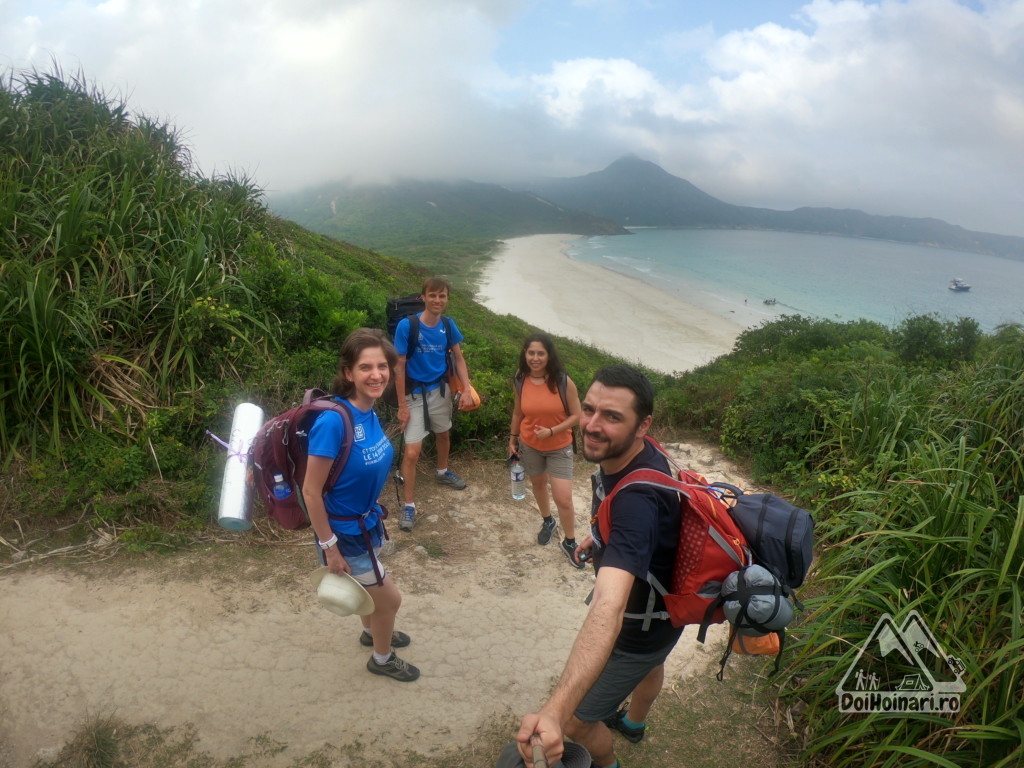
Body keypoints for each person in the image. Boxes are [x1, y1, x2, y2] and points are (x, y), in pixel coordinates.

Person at [515, 365, 681, 768]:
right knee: (652, 666)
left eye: (612, 417)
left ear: (644, 425)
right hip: (665, 615)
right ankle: (635, 724)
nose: (591, 425)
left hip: (639, 629)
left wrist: (555, 713)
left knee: (577, 721)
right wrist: (601, 537)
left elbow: (609, 607)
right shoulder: (638, 455)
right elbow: (630, 526)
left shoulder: (637, 500)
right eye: (589, 409)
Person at [304, 328, 419, 683]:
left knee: (371, 591)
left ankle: (372, 633)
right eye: (366, 367)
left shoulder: (366, 412)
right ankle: (381, 659)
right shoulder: (334, 422)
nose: (376, 374)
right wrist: (330, 548)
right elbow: (311, 491)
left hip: (365, 526)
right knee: (389, 600)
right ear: (348, 372)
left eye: (382, 366)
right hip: (344, 535)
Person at [393, 277, 475, 532]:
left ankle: (442, 472)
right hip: (414, 394)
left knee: (443, 434)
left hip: (441, 391)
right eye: (433, 295)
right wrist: (402, 406)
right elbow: (399, 366)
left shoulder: (449, 326)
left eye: (442, 296)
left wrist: (467, 388)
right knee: (411, 452)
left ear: (447, 299)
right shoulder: (408, 326)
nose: (438, 300)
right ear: (424, 297)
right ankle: (409, 505)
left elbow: (458, 359)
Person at [507, 333, 583, 568]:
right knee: (538, 485)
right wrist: (513, 438)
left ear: (549, 355)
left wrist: (551, 431)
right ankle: (548, 521)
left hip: (559, 447)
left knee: (564, 498)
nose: (535, 358)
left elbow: (577, 416)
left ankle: (570, 542)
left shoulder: (563, 381)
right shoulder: (521, 379)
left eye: (541, 353)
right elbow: (519, 413)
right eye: (531, 353)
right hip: (530, 445)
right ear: (525, 354)